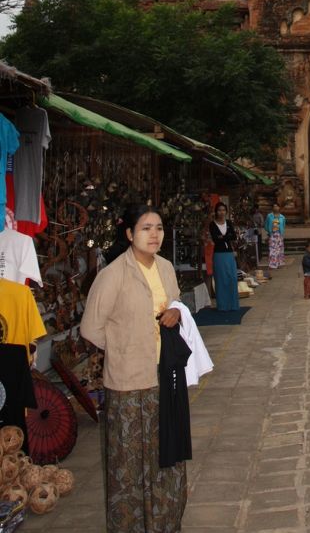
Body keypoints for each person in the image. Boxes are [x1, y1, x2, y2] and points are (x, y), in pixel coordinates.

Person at [80, 204, 187, 533]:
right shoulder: (112, 275)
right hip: (128, 384)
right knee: (129, 462)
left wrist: (177, 313)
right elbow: (90, 329)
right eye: (145, 228)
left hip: (166, 376)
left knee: (167, 453)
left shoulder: (166, 268)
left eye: (158, 227)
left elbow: (176, 302)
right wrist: (124, 348)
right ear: (129, 234)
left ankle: (166, 521)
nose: (154, 234)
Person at [209, 203, 240, 311]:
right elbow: (216, 239)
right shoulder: (212, 224)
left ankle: (233, 304)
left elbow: (234, 236)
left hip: (229, 253)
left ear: (226, 211)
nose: (221, 212)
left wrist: (223, 237)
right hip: (219, 254)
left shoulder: (229, 223)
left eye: (223, 210)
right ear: (216, 211)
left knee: (232, 278)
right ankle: (222, 305)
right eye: (219, 210)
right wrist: (226, 237)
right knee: (221, 279)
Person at [264, 204, 286, 270]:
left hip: (279, 235)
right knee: (272, 249)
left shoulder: (282, 217)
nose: (276, 207)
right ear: (272, 208)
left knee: (279, 250)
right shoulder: (269, 216)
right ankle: (272, 265)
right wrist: (269, 232)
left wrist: (281, 233)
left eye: (277, 206)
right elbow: (266, 225)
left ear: (279, 207)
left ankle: (279, 264)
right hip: (272, 235)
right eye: (274, 206)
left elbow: (283, 225)